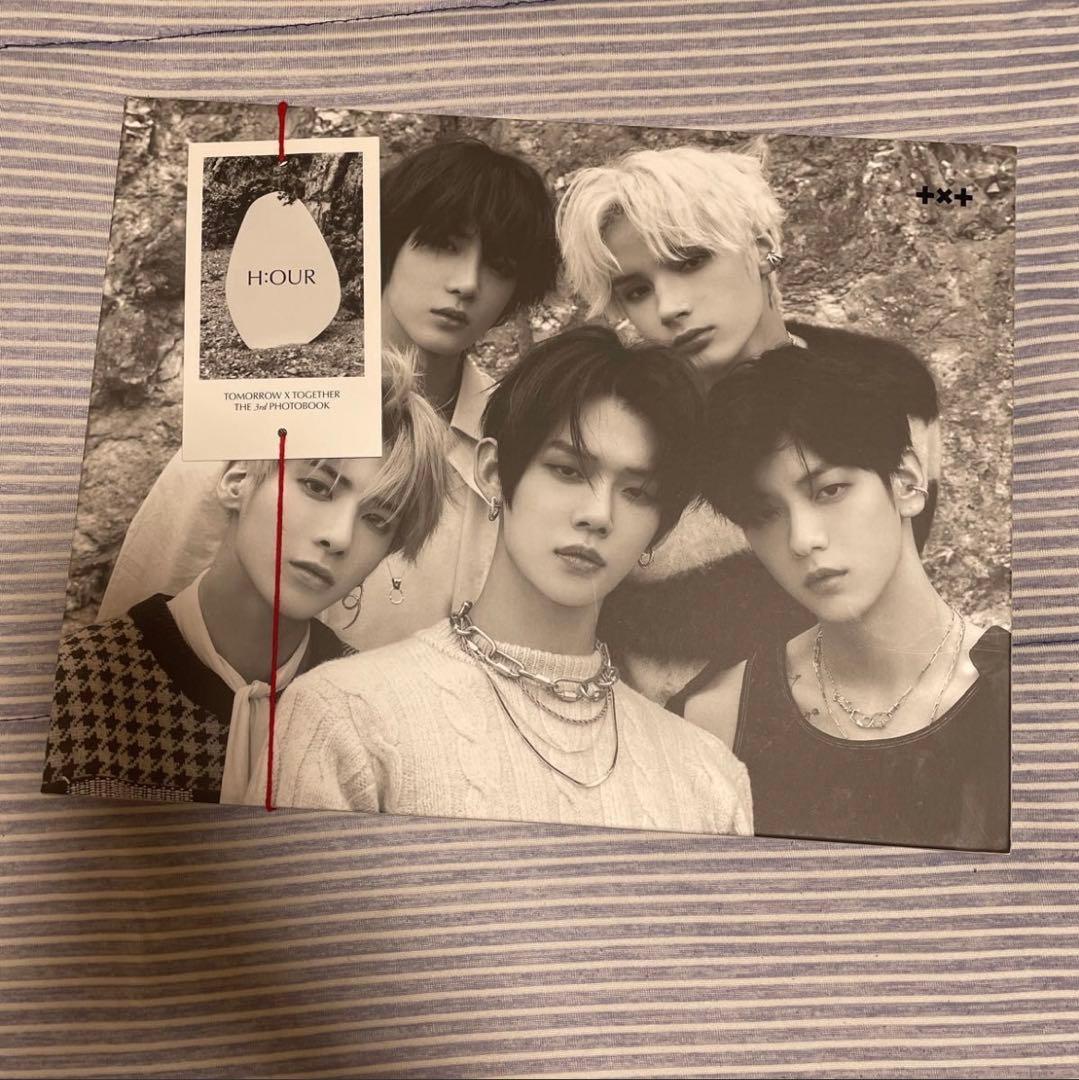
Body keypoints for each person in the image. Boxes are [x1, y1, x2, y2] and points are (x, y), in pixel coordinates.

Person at [245, 326, 753, 837]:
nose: (599, 515)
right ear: (491, 472)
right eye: (568, 471)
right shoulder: (344, 716)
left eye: (638, 493)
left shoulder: (710, 779)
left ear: (659, 529)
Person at [99, 138, 560, 651]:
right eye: (443, 245)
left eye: (500, 266)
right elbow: (136, 614)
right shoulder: (269, 397)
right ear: (389, 243)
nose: (467, 283)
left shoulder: (510, 444)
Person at [555, 143, 942, 702]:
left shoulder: (888, 386)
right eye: (637, 291)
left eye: (690, 261)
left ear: (761, 246)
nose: (669, 307)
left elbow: (889, 590)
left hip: (848, 721)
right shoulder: (620, 433)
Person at [41, 349, 449, 804]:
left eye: (377, 519)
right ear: (237, 479)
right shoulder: (78, 679)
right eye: (318, 486)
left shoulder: (375, 715)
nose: (339, 536)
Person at [674, 345, 1009, 851]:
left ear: (908, 481)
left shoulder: (1035, 701)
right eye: (765, 514)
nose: (802, 539)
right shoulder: (715, 718)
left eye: (829, 490)